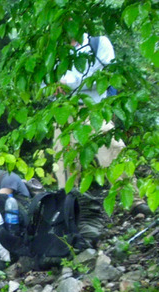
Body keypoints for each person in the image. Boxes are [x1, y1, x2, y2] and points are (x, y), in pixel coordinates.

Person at [55, 34, 123, 188]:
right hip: (62, 111)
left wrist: (67, 83)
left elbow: (104, 76)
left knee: (114, 147)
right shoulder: (53, 49)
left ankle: (134, 202)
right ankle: (69, 205)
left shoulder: (98, 43)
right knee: (64, 163)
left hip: (93, 108)